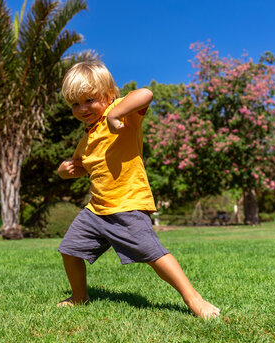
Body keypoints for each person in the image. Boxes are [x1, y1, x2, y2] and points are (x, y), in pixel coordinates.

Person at [56, 60, 220, 319]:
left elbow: (146, 94)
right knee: (69, 249)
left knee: (153, 254)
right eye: (75, 104)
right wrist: (64, 171)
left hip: (127, 205)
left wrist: (113, 114)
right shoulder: (87, 137)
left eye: (89, 100)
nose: (82, 108)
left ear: (109, 95)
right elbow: (78, 165)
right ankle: (79, 297)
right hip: (97, 209)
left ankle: (195, 300)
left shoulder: (123, 117)